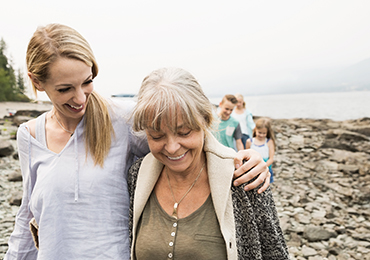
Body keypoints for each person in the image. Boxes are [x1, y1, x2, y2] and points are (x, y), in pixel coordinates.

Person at [5, 24, 271, 259]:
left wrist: (240, 158)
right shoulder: (30, 135)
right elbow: (27, 215)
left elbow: (181, 134)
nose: (80, 98)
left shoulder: (121, 119)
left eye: (87, 82)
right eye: (65, 89)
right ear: (37, 82)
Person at [128, 68, 289, 259]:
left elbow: (275, 254)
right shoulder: (137, 176)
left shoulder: (244, 177)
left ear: (204, 120)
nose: (171, 148)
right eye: (157, 135)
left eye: (184, 132)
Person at [246, 117, 276, 184]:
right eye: (259, 132)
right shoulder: (249, 142)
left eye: (264, 133)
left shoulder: (269, 142)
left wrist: (263, 166)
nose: (261, 135)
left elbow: (271, 159)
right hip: (253, 170)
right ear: (255, 129)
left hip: (266, 169)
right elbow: (247, 157)